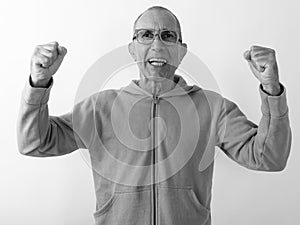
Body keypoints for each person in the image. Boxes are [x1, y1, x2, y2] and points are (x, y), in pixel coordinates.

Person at [17, 6, 291, 225]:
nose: (157, 45)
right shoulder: (100, 108)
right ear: (132, 48)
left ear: (181, 52)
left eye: (167, 36)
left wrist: (271, 89)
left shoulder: (213, 107)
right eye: (146, 35)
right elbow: (35, 142)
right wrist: (38, 83)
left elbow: (269, 157)